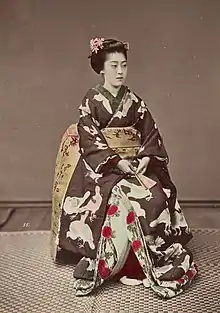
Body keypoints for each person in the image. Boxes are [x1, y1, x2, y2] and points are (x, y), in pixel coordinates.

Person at [53, 37, 198, 298]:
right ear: (101, 69)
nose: (119, 71)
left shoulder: (134, 101)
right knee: (125, 199)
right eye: (113, 66)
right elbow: (89, 138)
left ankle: (143, 258)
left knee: (155, 195)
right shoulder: (92, 100)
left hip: (135, 164)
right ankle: (123, 261)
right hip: (104, 167)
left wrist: (144, 159)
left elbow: (150, 133)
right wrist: (116, 161)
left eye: (124, 65)